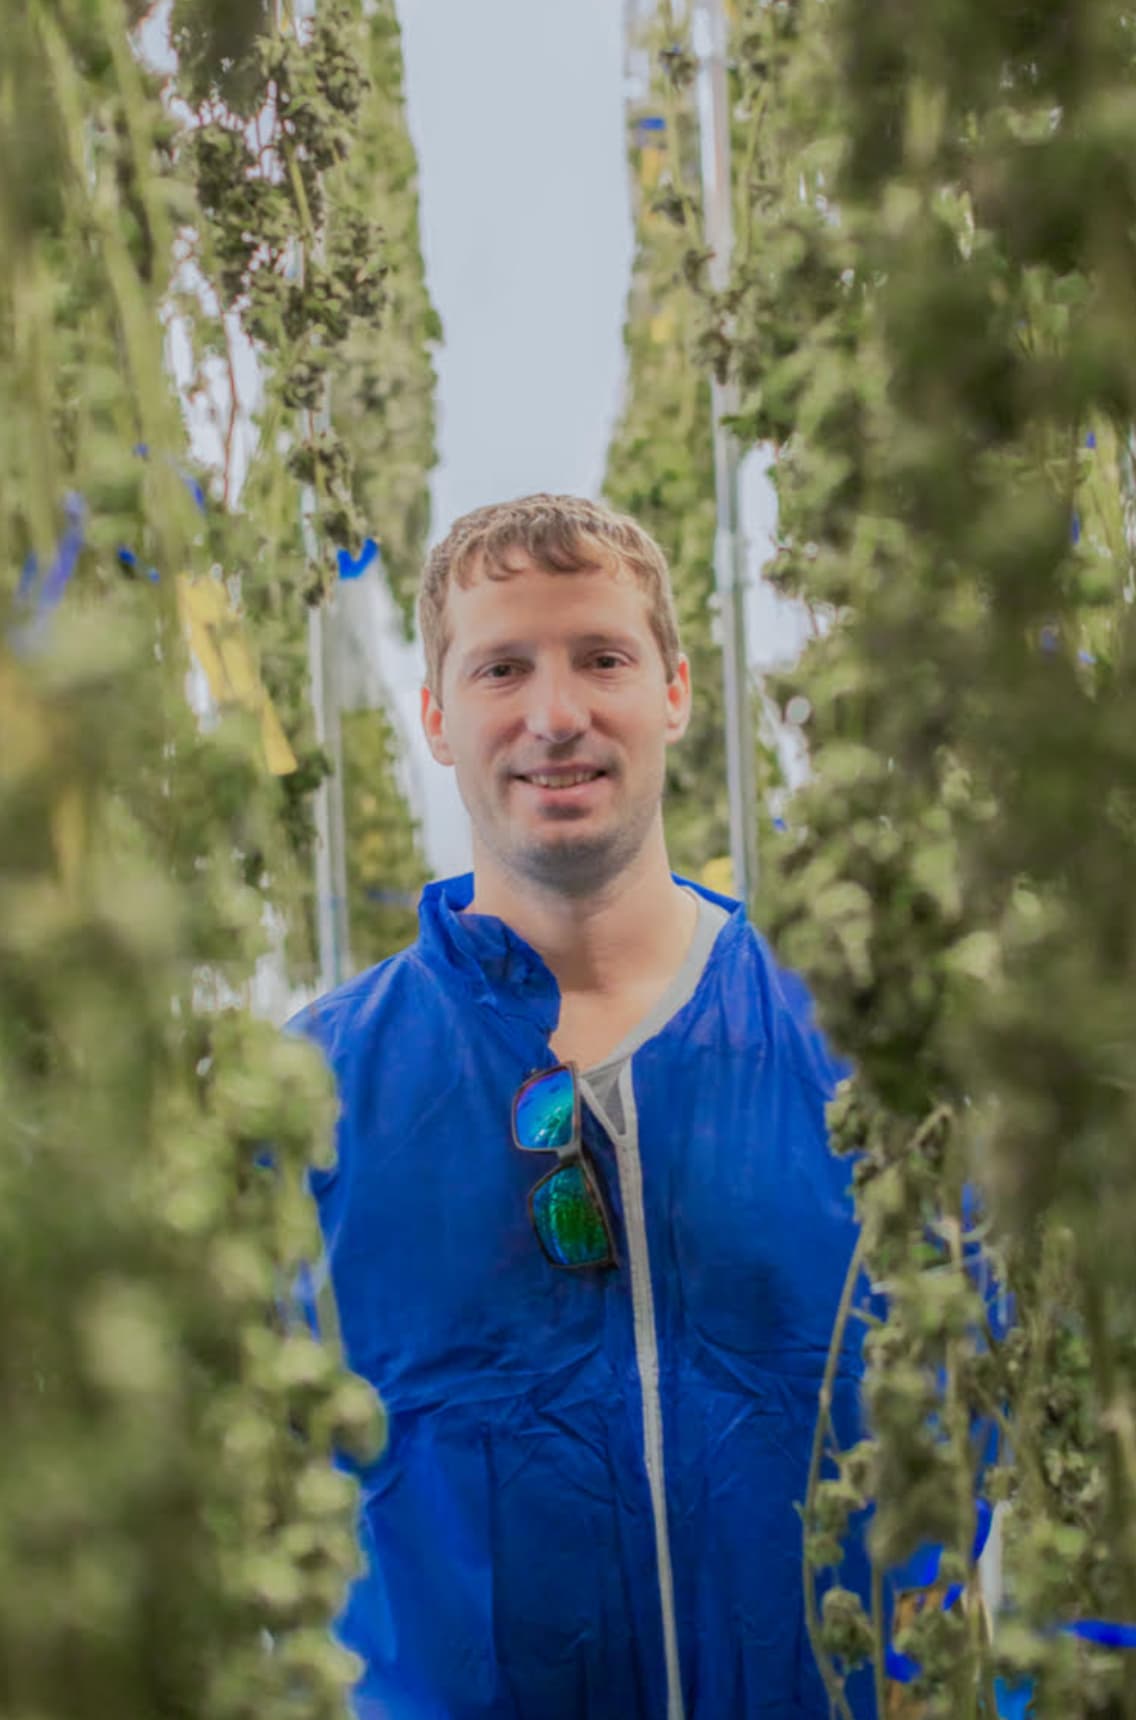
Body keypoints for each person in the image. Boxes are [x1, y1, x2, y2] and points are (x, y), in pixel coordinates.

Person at [292, 493, 878, 1719]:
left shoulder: (855, 1056)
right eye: (501, 667)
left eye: (600, 658)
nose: (554, 715)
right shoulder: (311, 1103)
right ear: (437, 717)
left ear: (673, 691)